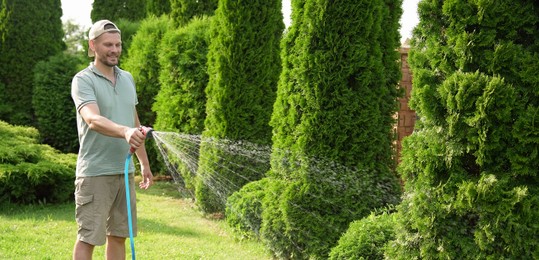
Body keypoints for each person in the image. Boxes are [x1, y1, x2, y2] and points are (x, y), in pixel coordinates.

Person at [70, 19, 153, 260]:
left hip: (124, 171)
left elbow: (134, 122)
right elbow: (92, 119)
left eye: (118, 44)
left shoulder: (127, 78)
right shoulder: (83, 80)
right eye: (108, 44)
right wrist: (124, 131)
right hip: (95, 172)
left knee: (119, 235)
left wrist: (144, 164)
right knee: (89, 237)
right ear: (93, 45)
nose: (115, 49)